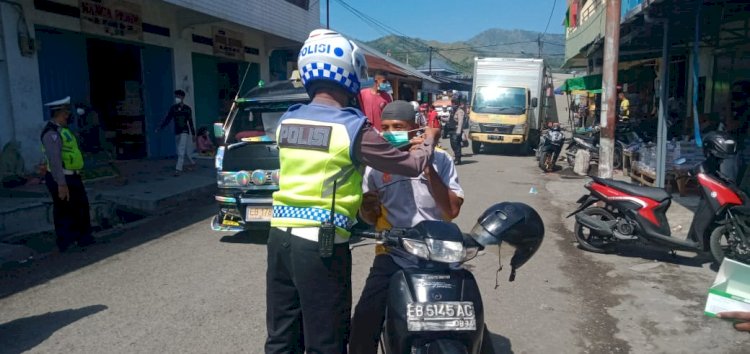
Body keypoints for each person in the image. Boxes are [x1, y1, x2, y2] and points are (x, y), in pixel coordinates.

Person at [266, 29, 440, 354]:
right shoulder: (352, 128)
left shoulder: (287, 120)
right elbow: (412, 165)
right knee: (327, 338)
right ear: (348, 73)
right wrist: (429, 139)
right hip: (322, 244)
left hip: (279, 239)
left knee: (282, 335)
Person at [350, 101, 464, 353]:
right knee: (364, 320)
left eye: (398, 126)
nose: (391, 132)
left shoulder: (442, 159)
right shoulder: (376, 165)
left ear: (415, 128)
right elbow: (370, 217)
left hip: (438, 253)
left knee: (465, 319)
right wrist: (366, 207)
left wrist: (426, 166)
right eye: (386, 127)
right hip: (392, 254)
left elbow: (452, 210)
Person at [41, 96, 95, 252]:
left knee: (80, 207)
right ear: (60, 113)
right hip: (61, 178)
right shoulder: (51, 133)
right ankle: (66, 242)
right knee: (64, 209)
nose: (68, 116)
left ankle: (83, 238)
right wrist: (61, 183)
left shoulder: (63, 131)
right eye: (66, 113)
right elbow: (55, 159)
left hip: (72, 176)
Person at [157, 89, 196, 176]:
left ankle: (178, 169)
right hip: (177, 131)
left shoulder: (187, 109)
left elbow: (190, 121)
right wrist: (161, 127)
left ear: (182, 97)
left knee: (181, 149)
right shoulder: (173, 108)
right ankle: (192, 162)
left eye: (178, 96)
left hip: (185, 131)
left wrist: (193, 134)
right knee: (181, 150)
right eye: (176, 96)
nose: (176, 98)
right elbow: (168, 119)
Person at [448, 99, 466, 165]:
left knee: (456, 145)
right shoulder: (452, 111)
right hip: (451, 130)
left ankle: (458, 159)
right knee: (452, 145)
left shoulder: (460, 111)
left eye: (455, 103)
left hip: (456, 131)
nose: (453, 105)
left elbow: (460, 122)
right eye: (452, 103)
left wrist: (458, 131)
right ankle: (456, 157)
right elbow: (449, 119)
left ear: (457, 104)